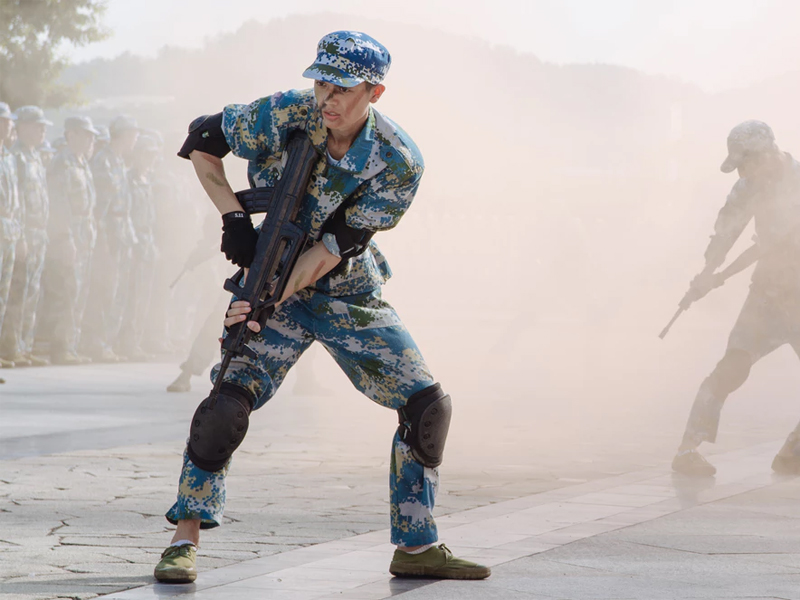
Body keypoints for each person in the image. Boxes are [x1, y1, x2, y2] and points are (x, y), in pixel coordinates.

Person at [154, 30, 490, 583]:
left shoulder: (398, 162)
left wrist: (261, 299)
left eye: (343, 88)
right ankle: (183, 540)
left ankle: (416, 546)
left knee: (427, 405)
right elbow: (201, 141)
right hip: (268, 279)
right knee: (224, 408)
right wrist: (233, 216)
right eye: (322, 82)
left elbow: (331, 249)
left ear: (375, 93)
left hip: (345, 291)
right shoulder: (285, 112)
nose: (327, 97)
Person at [672, 120, 800, 476]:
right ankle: (687, 450)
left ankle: (794, 452)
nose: (742, 172)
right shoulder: (747, 188)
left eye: (745, 163)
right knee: (732, 367)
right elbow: (727, 228)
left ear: (767, 154)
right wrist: (708, 273)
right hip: (768, 297)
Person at [81, 115, 139, 362]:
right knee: (104, 289)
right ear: (123, 135)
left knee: (117, 290)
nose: (135, 139)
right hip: (109, 234)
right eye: (133, 134)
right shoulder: (103, 162)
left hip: (122, 233)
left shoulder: (118, 162)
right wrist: (102, 239)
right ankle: (96, 343)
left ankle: (107, 343)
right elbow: (100, 207)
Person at [43, 116, 100, 364]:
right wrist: (65, 238)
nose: (90, 140)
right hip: (67, 236)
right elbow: (58, 206)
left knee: (78, 291)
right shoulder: (62, 163)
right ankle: (60, 347)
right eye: (85, 135)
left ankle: (70, 345)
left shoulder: (81, 163)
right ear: (72, 134)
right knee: (65, 291)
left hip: (82, 235)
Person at [0, 106, 52, 367]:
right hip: (14, 232)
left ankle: (21, 346)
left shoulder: (28, 157)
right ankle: (10, 347)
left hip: (29, 233)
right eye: (37, 125)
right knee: (14, 293)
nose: (43, 130)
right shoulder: (16, 157)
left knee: (29, 292)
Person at [0, 102, 20, 369]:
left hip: (9, 232)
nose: (7, 127)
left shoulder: (8, 156)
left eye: (8, 123)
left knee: (4, 295)